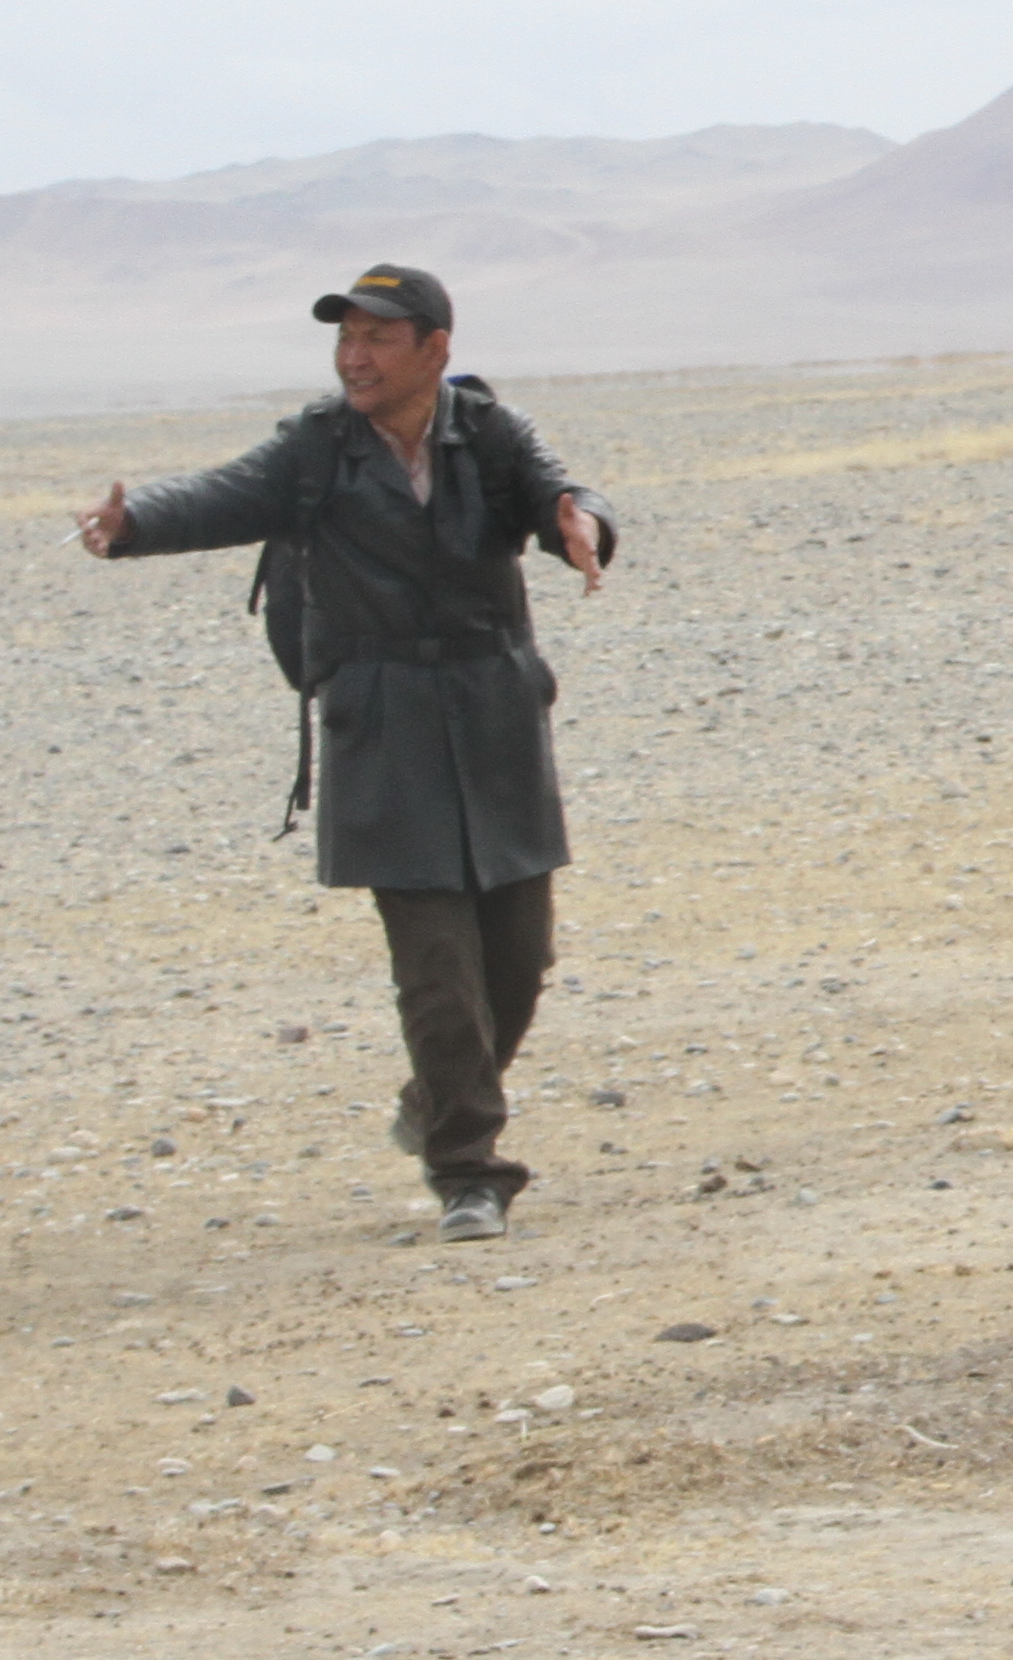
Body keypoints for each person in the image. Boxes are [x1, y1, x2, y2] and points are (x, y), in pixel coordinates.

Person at [76, 265, 615, 1243]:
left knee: (519, 963)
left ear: (435, 350)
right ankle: (469, 1172)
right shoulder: (316, 447)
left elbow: (557, 490)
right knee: (436, 968)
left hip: (494, 719)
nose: (354, 358)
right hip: (385, 726)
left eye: (377, 339)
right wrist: (133, 525)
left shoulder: (486, 432)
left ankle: (434, 1101)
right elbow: (225, 494)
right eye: (345, 339)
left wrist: (581, 522)